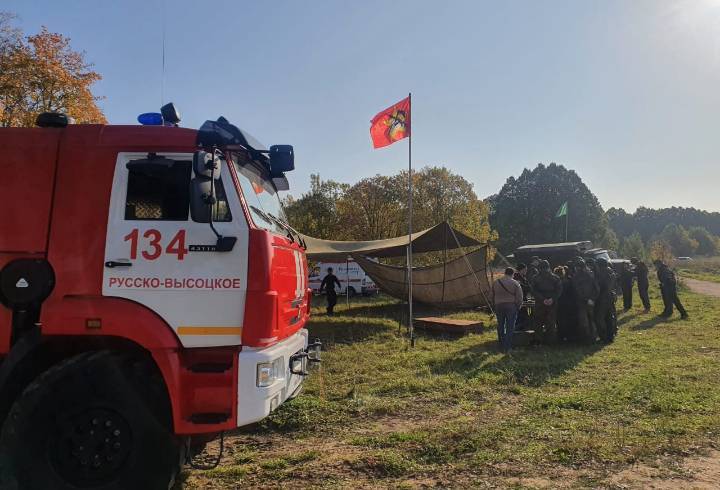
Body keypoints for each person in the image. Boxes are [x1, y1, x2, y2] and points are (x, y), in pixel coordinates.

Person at [530, 260, 563, 343]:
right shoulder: (555, 277)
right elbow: (559, 290)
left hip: (539, 303)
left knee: (538, 322)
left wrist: (542, 299)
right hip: (552, 303)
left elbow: (533, 290)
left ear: (539, 268)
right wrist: (552, 299)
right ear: (548, 267)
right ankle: (551, 341)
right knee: (551, 322)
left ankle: (538, 340)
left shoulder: (535, 278)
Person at [492, 267, 523, 352]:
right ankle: (508, 347)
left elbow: (492, 295)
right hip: (511, 306)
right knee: (510, 326)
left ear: (505, 273)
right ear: (512, 274)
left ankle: (501, 344)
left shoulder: (496, 282)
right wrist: (518, 306)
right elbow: (519, 297)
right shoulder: (515, 283)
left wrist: (494, 305)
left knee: (500, 325)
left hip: (498, 305)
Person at [570, 258, 599, 343]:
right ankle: (593, 337)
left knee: (584, 321)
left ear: (578, 267)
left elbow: (577, 290)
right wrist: (592, 298)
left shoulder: (576, 277)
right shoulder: (591, 274)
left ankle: (586, 339)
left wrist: (587, 299)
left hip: (582, 302)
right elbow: (596, 288)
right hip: (591, 301)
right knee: (592, 320)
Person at [593, 258, 618, 343]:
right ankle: (610, 336)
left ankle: (603, 337)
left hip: (602, 298)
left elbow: (598, 287)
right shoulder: (611, 272)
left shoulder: (600, 273)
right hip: (610, 297)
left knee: (599, 318)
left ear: (600, 265)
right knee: (609, 318)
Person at [513, 263, 531, 330]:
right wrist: (527, 287)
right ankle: (518, 329)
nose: (526, 271)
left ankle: (523, 328)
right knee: (520, 315)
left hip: (524, 298)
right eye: (525, 269)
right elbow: (523, 287)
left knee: (524, 314)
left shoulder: (523, 277)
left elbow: (528, 287)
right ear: (521, 270)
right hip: (519, 299)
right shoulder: (516, 277)